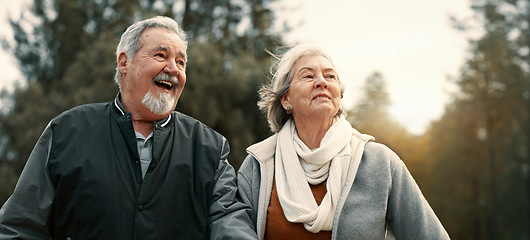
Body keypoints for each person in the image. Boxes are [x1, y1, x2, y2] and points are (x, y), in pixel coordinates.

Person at [0, 16, 257, 240]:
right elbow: (19, 226)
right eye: (160, 55)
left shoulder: (209, 147)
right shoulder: (67, 131)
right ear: (124, 62)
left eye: (181, 62)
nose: (173, 69)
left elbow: (228, 220)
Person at [237, 43, 450, 239]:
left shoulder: (381, 163)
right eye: (308, 76)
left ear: (338, 96)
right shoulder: (258, 166)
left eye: (330, 77)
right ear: (286, 100)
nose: (322, 82)